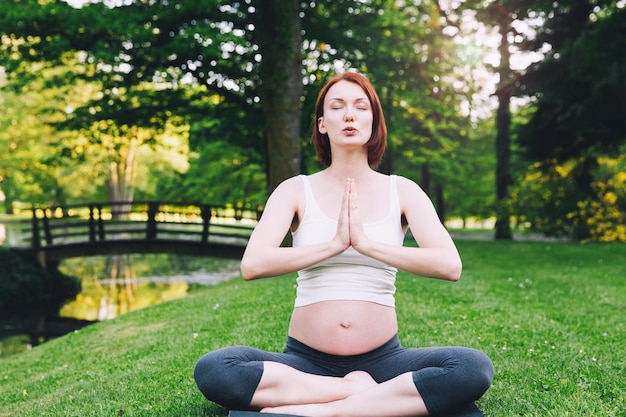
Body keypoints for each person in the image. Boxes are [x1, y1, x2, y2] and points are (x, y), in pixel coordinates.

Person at [194, 71, 494, 417]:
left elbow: (449, 265)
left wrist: (366, 244)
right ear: (323, 124)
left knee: (472, 368)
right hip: (304, 363)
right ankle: (359, 394)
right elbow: (253, 264)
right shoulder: (295, 190)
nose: (349, 115)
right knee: (216, 369)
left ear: (373, 121)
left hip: (384, 361)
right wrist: (334, 244)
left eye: (360, 107)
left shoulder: (404, 191)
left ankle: (328, 412)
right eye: (337, 107)